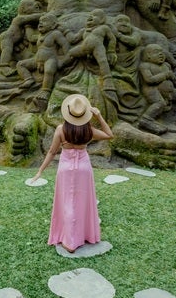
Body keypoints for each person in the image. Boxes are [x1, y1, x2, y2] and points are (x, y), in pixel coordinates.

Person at [31, 94, 114, 253]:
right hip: (84, 169)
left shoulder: (61, 129)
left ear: (68, 112)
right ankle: (83, 236)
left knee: (67, 203)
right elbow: (109, 135)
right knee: (82, 203)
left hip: (65, 169)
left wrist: (40, 171)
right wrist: (99, 116)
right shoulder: (89, 130)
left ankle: (69, 241)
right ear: (85, 114)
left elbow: (51, 152)